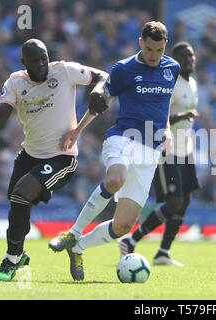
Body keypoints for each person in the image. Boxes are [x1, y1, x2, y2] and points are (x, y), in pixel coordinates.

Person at [48, 21, 180, 281]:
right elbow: (100, 101)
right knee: (115, 179)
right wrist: (77, 131)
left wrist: (168, 130)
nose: (155, 55)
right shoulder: (124, 69)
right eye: (151, 49)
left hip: (150, 152)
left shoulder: (172, 69)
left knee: (123, 226)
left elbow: (163, 104)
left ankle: (78, 247)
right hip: (123, 139)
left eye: (160, 50)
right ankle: (73, 232)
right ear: (141, 43)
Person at [0, 39, 107, 281]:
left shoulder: (65, 70)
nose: (42, 64)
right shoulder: (15, 82)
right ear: (24, 63)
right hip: (29, 155)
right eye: (35, 61)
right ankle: (19, 255)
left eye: (44, 58)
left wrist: (97, 90)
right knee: (17, 204)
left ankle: (10, 261)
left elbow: (105, 76)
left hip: (62, 157)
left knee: (21, 194)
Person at [118, 41, 200, 266]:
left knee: (185, 201)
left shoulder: (192, 83)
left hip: (186, 151)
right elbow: (159, 116)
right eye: (185, 58)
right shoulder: (170, 83)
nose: (190, 61)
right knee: (173, 203)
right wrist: (182, 116)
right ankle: (132, 240)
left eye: (192, 57)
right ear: (175, 60)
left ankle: (163, 252)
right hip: (167, 150)